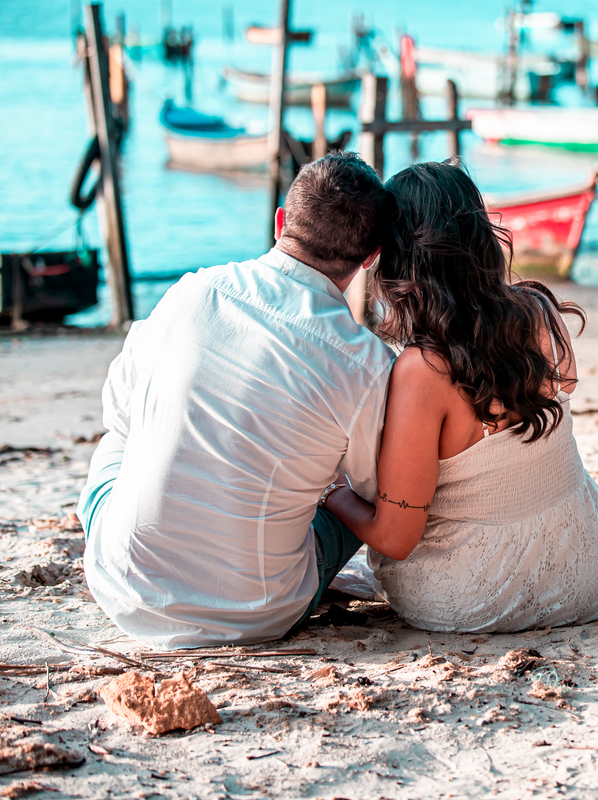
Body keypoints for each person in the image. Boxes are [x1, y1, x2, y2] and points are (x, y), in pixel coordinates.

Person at [77, 153, 395, 649]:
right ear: (371, 257)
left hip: (125, 588)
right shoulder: (367, 363)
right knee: (356, 485)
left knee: (119, 439)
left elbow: (119, 411)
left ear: (281, 222)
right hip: (258, 612)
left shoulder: (192, 291)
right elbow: (380, 490)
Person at [322, 159, 598, 632]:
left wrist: (332, 491)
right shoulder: (541, 310)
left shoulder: (423, 369)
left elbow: (395, 538)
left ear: (398, 256)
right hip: (597, 566)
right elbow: (565, 385)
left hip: (479, 595)